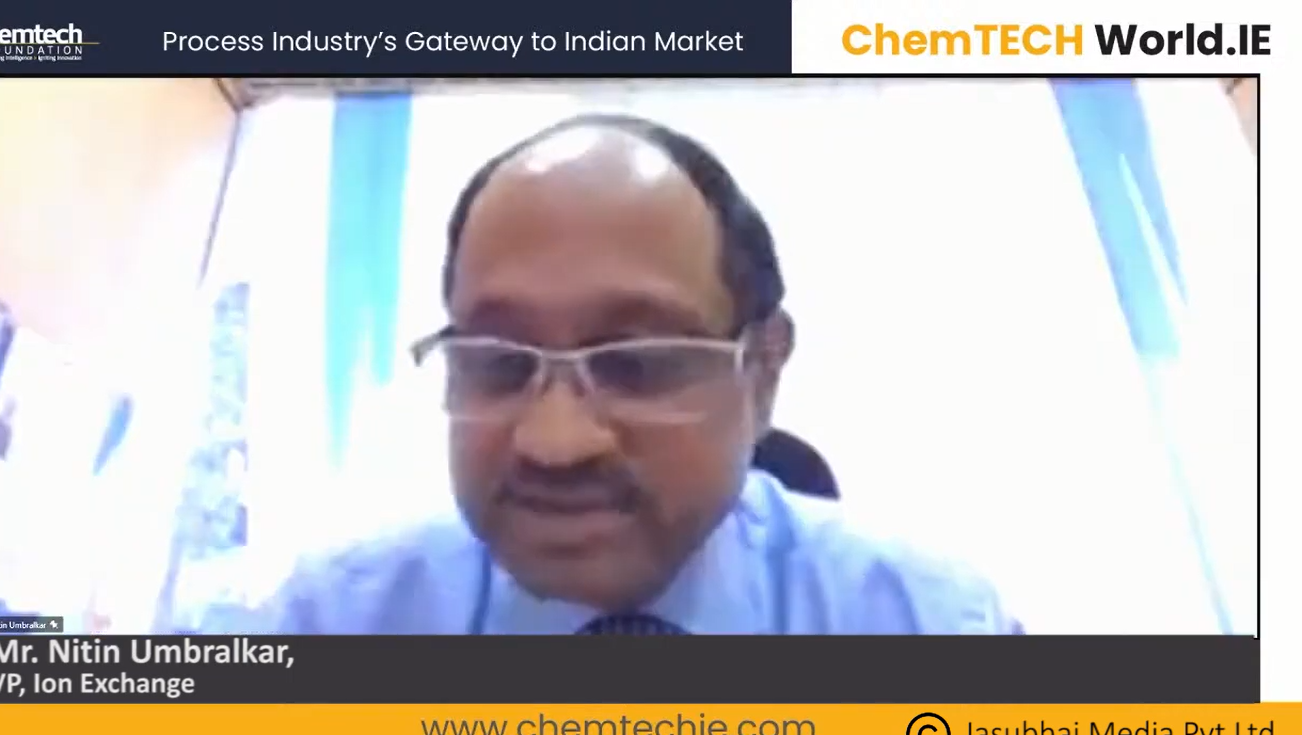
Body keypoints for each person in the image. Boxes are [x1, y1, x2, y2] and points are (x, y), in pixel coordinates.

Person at [215, 114, 1021, 635]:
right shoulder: (332, 625)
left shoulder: (927, 626)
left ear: (763, 371)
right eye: (498, 363)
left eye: (637, 365)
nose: (555, 442)